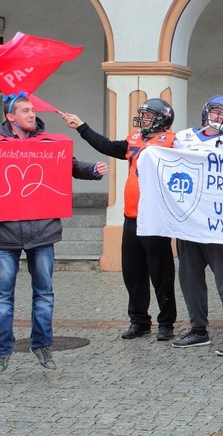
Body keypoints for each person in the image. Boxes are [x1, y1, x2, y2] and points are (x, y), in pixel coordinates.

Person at [0, 94, 107, 374]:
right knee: (2, 296)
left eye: (32, 110)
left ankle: (42, 345)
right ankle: (2, 352)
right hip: (5, 233)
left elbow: (71, 165)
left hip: (43, 232)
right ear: (11, 117)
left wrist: (92, 170)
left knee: (44, 294)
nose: (32, 114)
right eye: (25, 111)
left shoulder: (49, 144)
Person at [62, 99, 177, 342]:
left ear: (162, 119)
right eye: (143, 115)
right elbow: (107, 146)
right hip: (131, 216)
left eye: (147, 116)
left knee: (161, 273)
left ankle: (166, 323)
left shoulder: (173, 141)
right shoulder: (134, 139)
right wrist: (81, 126)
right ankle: (139, 320)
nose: (143, 120)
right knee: (133, 272)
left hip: (155, 217)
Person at [171, 95, 223, 355]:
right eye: (217, 113)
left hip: (219, 220)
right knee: (189, 277)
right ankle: (198, 329)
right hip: (189, 219)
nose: (221, 119)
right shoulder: (183, 138)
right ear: (206, 112)